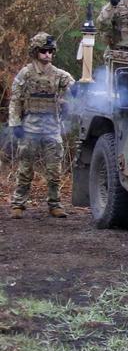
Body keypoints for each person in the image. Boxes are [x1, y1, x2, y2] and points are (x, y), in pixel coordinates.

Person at [9, 33, 75, 219]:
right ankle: (18, 204)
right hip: (30, 127)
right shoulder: (26, 74)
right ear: (36, 52)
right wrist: (15, 124)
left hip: (52, 127)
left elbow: (74, 88)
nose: (47, 54)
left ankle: (55, 204)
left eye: (50, 51)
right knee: (25, 169)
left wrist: (78, 91)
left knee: (54, 171)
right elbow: (15, 100)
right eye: (44, 51)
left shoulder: (60, 75)